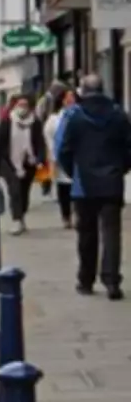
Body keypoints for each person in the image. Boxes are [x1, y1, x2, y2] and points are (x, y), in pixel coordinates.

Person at [56, 74, 131, 300]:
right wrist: (121, 169)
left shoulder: (75, 116)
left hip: (83, 184)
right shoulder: (119, 115)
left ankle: (86, 280)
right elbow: (129, 148)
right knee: (111, 233)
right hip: (112, 182)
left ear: (83, 90)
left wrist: (73, 172)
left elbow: (64, 150)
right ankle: (112, 281)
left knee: (87, 234)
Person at [0, 94, 45, 235]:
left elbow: (40, 143)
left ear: (30, 108)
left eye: (25, 105)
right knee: (14, 190)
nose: (22, 108)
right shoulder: (7, 122)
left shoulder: (35, 123)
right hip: (8, 162)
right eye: (19, 105)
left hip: (28, 162)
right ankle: (16, 219)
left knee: (24, 192)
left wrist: (40, 159)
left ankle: (22, 215)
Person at [43, 87, 77, 228]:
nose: (70, 100)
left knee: (77, 189)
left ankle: (77, 214)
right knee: (64, 189)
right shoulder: (54, 119)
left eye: (72, 97)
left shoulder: (80, 116)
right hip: (61, 158)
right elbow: (48, 136)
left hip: (77, 158)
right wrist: (53, 154)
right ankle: (66, 216)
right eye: (67, 97)